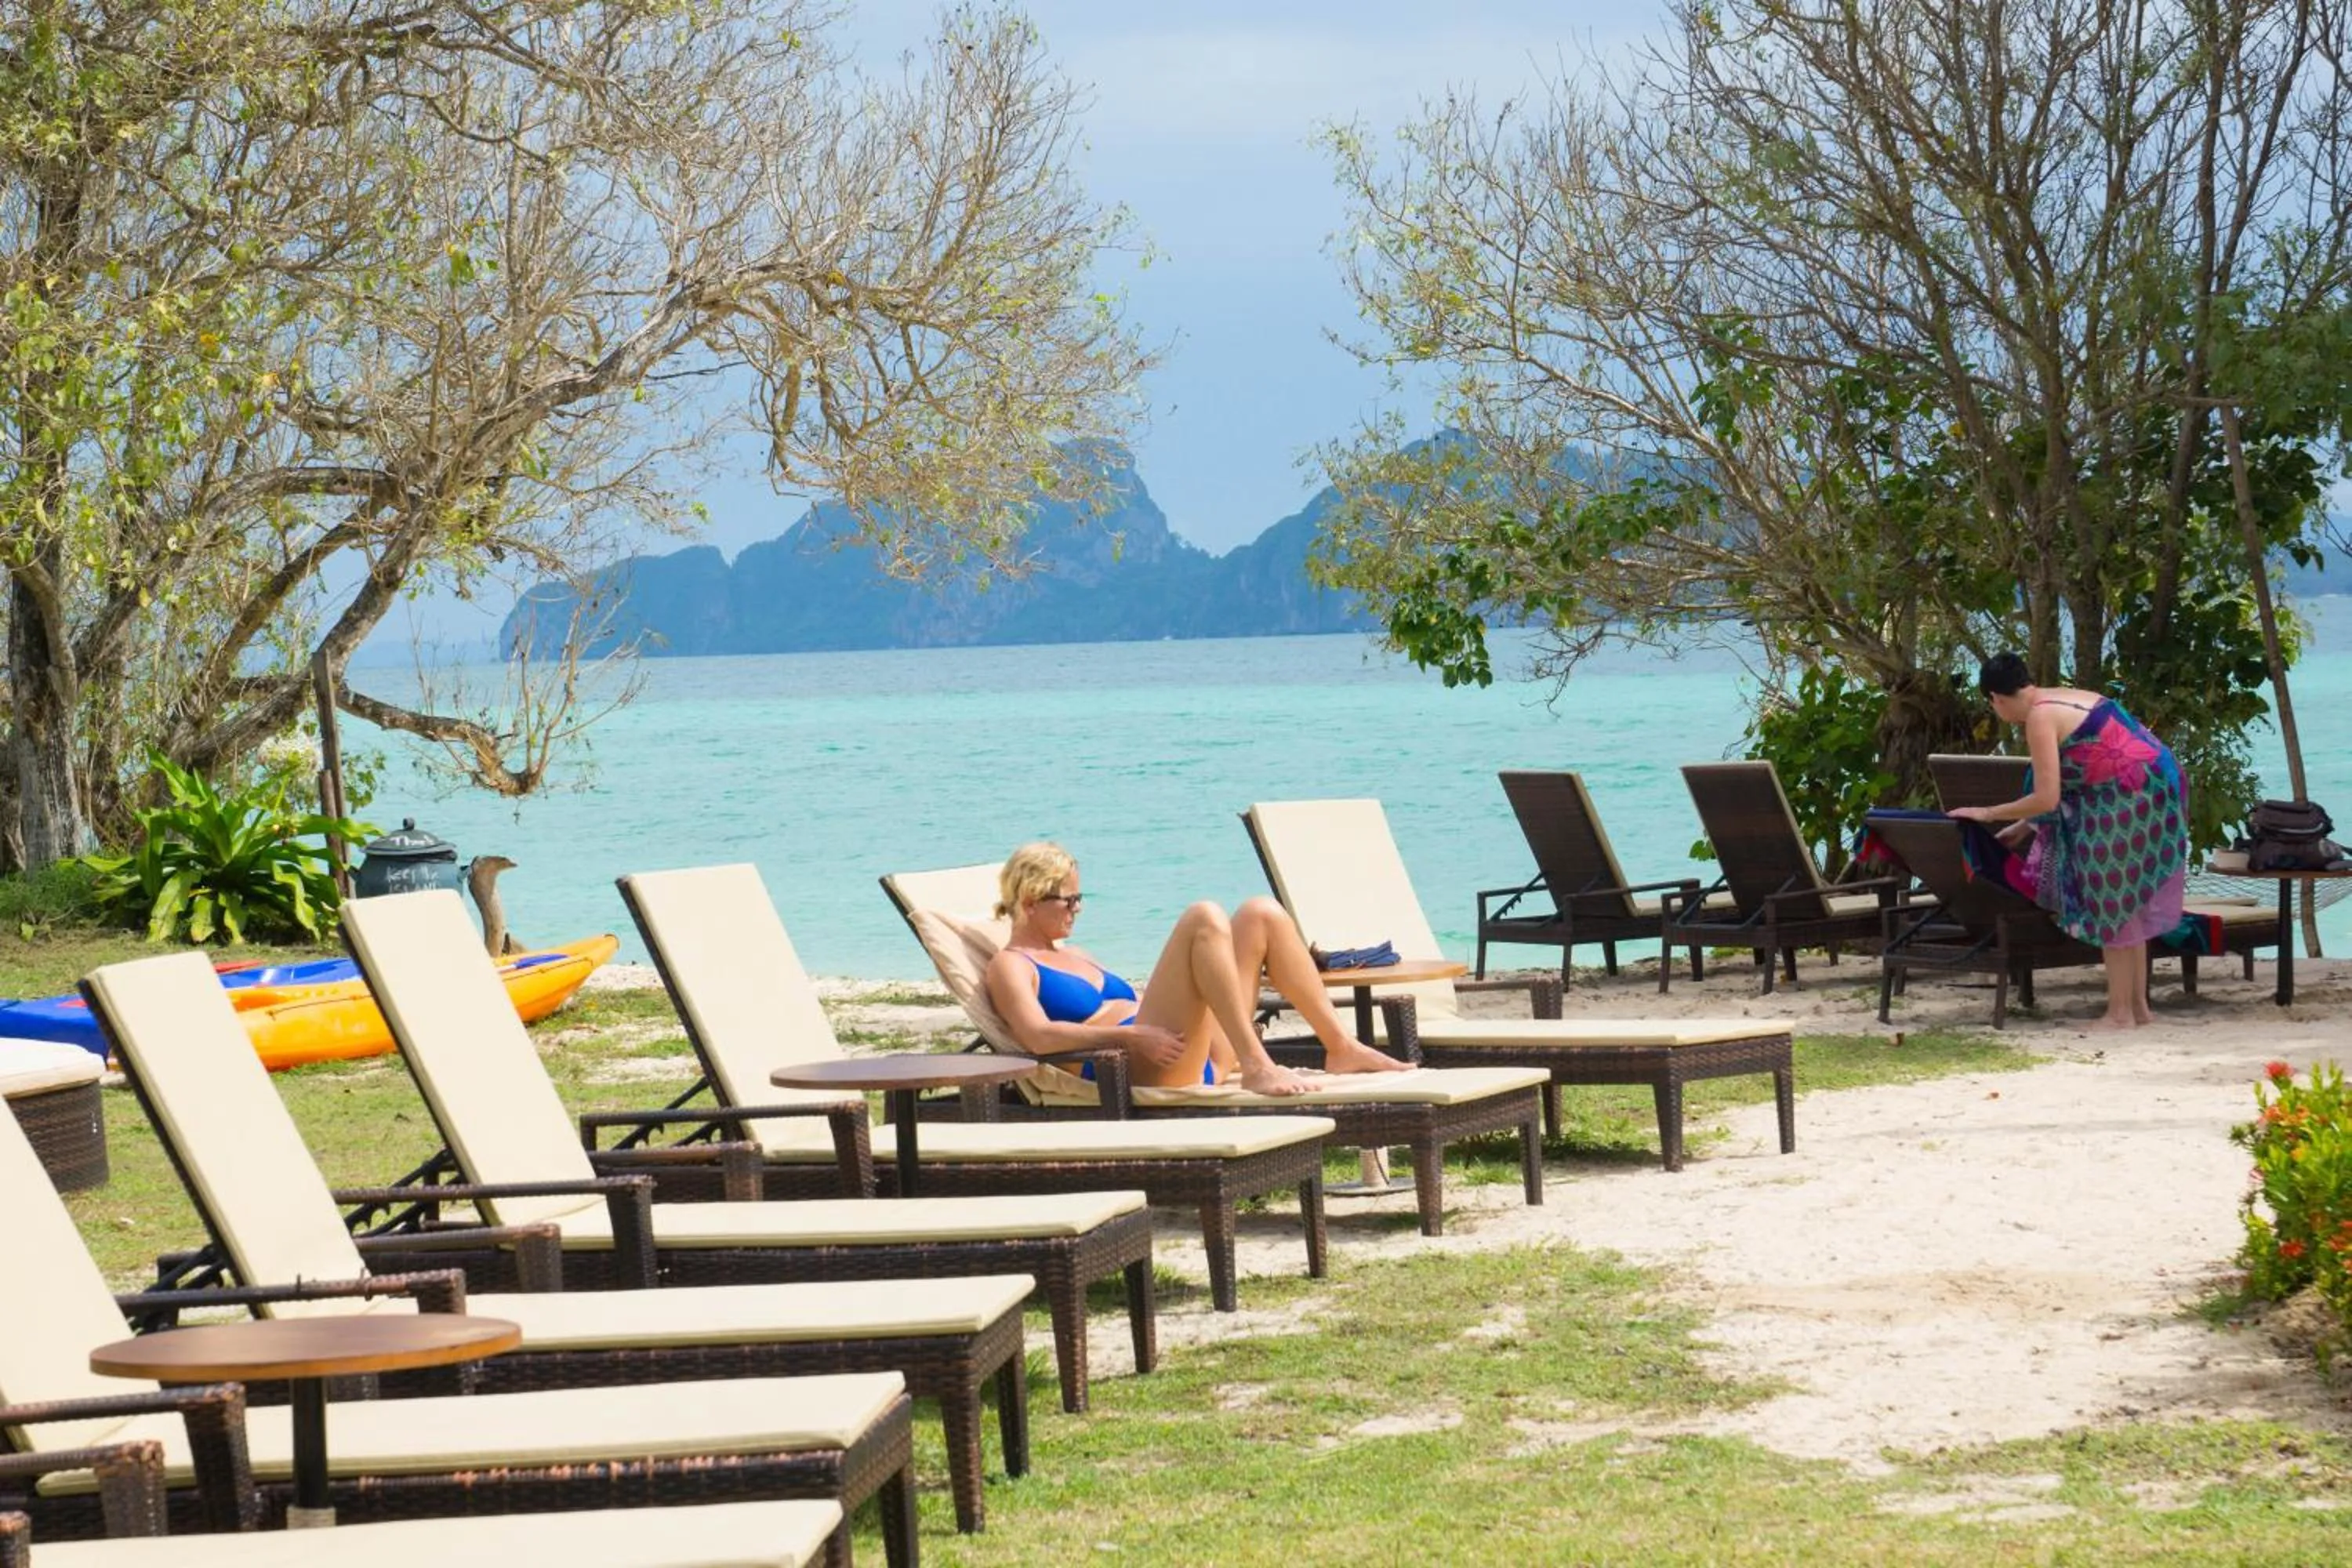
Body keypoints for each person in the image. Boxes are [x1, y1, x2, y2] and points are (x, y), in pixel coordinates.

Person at [982, 841, 1413, 1097]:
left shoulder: (1080, 954)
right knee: (1203, 917)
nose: (1077, 909)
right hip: (1135, 1066)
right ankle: (1257, 1064)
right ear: (1030, 902)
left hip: (1187, 1053)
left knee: (1261, 913)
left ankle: (1340, 1047)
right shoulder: (1011, 965)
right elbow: (1037, 1036)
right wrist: (1130, 1034)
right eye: (1068, 900)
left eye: (1080, 899)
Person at [1947, 653, 2188, 1030]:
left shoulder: (2039, 718)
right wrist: (2025, 825)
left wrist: (1988, 813)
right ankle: (2139, 1009)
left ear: (1996, 698)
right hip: (2155, 788)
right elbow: (2079, 769)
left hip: (2128, 795)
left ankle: (2120, 1014)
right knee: (2130, 902)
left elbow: (2048, 797)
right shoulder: (2062, 696)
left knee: (2112, 901)